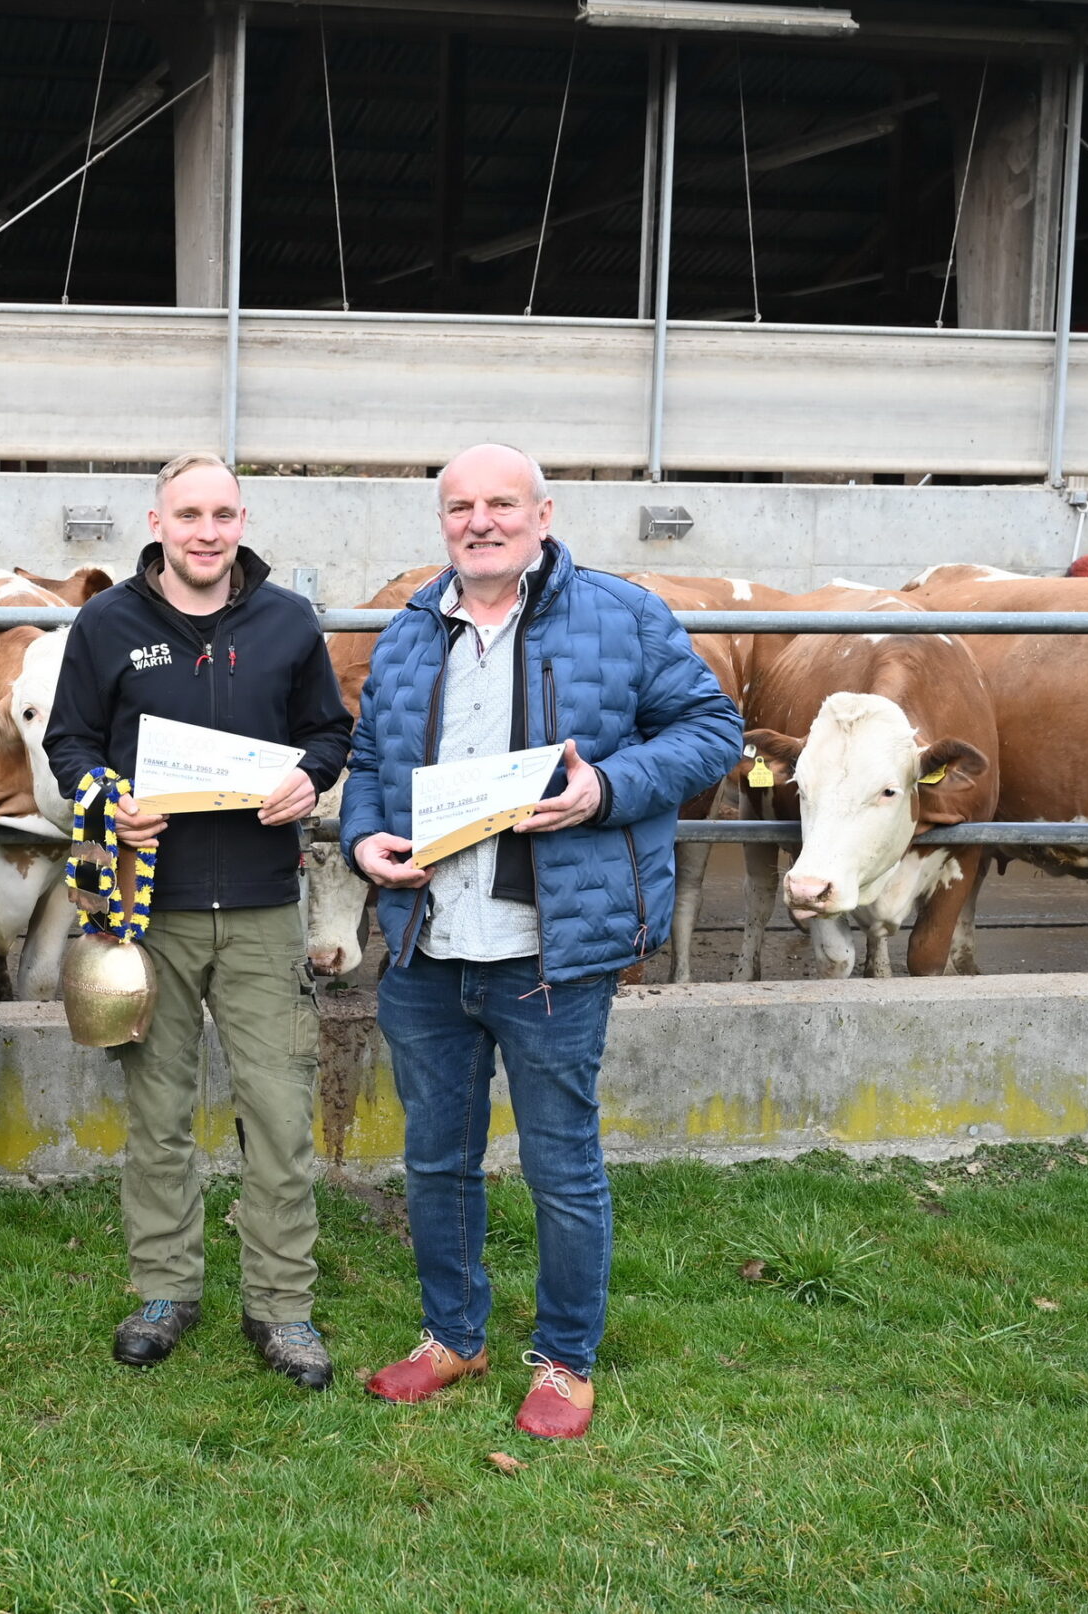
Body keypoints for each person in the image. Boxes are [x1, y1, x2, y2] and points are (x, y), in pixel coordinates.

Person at [342, 443, 738, 1439]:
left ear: (543, 514)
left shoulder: (621, 615)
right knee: (436, 1160)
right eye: (460, 507)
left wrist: (605, 788)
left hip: (550, 948)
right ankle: (452, 1335)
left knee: (561, 1165)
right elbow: (368, 756)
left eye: (501, 504)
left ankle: (564, 1360)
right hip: (430, 942)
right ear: (443, 521)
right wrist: (363, 839)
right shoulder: (409, 631)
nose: (479, 522)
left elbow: (710, 730)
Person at [42, 452, 354, 1384]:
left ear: (242, 520)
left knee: (279, 1114)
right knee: (159, 1112)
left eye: (222, 514)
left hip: (261, 906)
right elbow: (69, 741)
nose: (206, 532)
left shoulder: (288, 622)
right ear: (158, 523)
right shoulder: (107, 623)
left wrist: (311, 777)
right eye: (189, 515)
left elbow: (329, 731)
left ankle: (282, 1305)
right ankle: (165, 1288)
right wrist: (107, 797)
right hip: (150, 907)